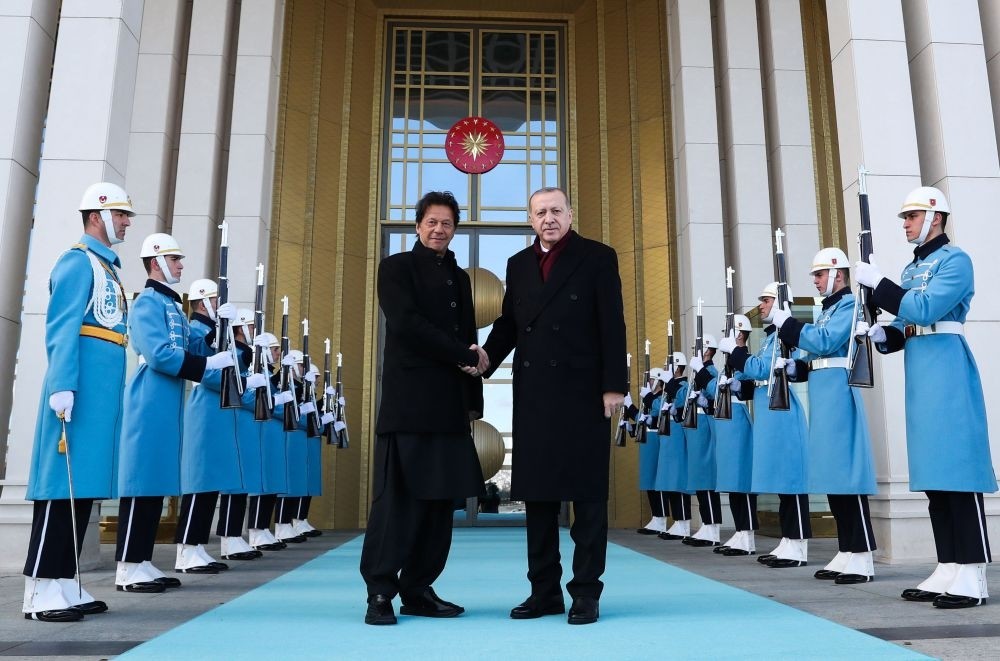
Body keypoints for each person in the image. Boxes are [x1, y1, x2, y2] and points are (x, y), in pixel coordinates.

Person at [482, 186, 627, 626]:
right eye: (540, 212)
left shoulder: (598, 256)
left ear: (570, 214)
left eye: (556, 210)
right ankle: (543, 591)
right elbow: (510, 322)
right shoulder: (518, 264)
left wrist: (613, 386)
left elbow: (612, 323)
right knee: (539, 501)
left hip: (584, 394)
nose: (549, 218)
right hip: (535, 396)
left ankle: (585, 593)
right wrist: (487, 358)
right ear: (530, 220)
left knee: (587, 499)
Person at [855, 186, 996, 608]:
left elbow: (925, 308)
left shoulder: (956, 260)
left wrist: (878, 284)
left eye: (911, 217)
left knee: (958, 470)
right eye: (904, 218)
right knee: (935, 476)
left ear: (934, 217)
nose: (905, 224)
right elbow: (905, 322)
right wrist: (883, 334)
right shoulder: (911, 268)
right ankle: (948, 565)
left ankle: (973, 573)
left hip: (948, 368)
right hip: (921, 368)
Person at [359, 190, 486, 626]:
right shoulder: (395, 268)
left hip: (450, 407)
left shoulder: (460, 277)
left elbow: (469, 335)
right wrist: (464, 354)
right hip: (410, 405)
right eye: (431, 222)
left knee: (440, 505)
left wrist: (473, 400)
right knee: (399, 500)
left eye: (447, 223)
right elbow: (408, 325)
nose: (439, 230)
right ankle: (380, 591)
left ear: (454, 230)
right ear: (417, 226)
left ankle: (418, 588)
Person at [22, 182, 134, 622]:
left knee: (81, 486)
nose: (126, 221)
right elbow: (62, 327)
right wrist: (61, 384)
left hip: (100, 395)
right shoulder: (77, 262)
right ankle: (40, 590)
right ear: (96, 216)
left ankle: (66, 583)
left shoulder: (106, 268)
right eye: (121, 214)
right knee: (58, 486)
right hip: (78, 389)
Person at [115, 233, 234, 593]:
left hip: (167, 400)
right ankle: (128, 566)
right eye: (175, 259)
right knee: (142, 482)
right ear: (156, 262)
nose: (181, 265)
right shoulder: (148, 302)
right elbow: (160, 354)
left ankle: (143, 560)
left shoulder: (173, 307)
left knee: (157, 482)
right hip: (149, 399)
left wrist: (218, 325)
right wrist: (207, 362)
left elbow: (193, 344)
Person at [773, 248, 877, 583]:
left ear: (838, 274)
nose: (816, 281)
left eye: (819, 274)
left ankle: (862, 554)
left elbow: (825, 341)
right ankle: (846, 549)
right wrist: (796, 367)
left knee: (846, 474)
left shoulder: (849, 306)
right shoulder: (827, 311)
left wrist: (787, 324)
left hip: (838, 393)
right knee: (832, 475)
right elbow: (817, 354)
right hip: (823, 391)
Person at [725, 282, 811, 569]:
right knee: (780, 478)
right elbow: (760, 375)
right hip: (769, 409)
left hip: (782, 410)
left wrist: (737, 353)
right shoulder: (770, 338)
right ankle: (788, 539)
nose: (761, 305)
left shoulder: (783, 337)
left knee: (791, 477)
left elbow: (762, 368)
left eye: (766, 299)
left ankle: (798, 543)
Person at [710, 315, 758, 557]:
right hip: (726, 423)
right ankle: (740, 531)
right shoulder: (727, 363)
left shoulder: (745, 359)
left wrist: (738, 386)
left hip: (739, 419)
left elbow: (751, 385)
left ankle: (748, 534)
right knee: (731, 479)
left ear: (740, 334)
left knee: (742, 480)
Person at [681, 334, 722, 547]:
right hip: (698, 427)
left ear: (707, 350)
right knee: (699, 476)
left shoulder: (710, 372)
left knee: (706, 476)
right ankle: (707, 523)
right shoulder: (699, 372)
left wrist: (704, 401)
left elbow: (715, 398)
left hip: (706, 425)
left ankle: (712, 526)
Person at [655, 354, 695, 541]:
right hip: (669, 432)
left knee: (678, 478)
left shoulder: (683, 385)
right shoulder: (669, 386)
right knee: (670, 479)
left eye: (667, 366)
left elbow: (682, 401)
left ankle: (684, 521)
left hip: (678, 432)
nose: (664, 369)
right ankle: (677, 520)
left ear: (677, 368)